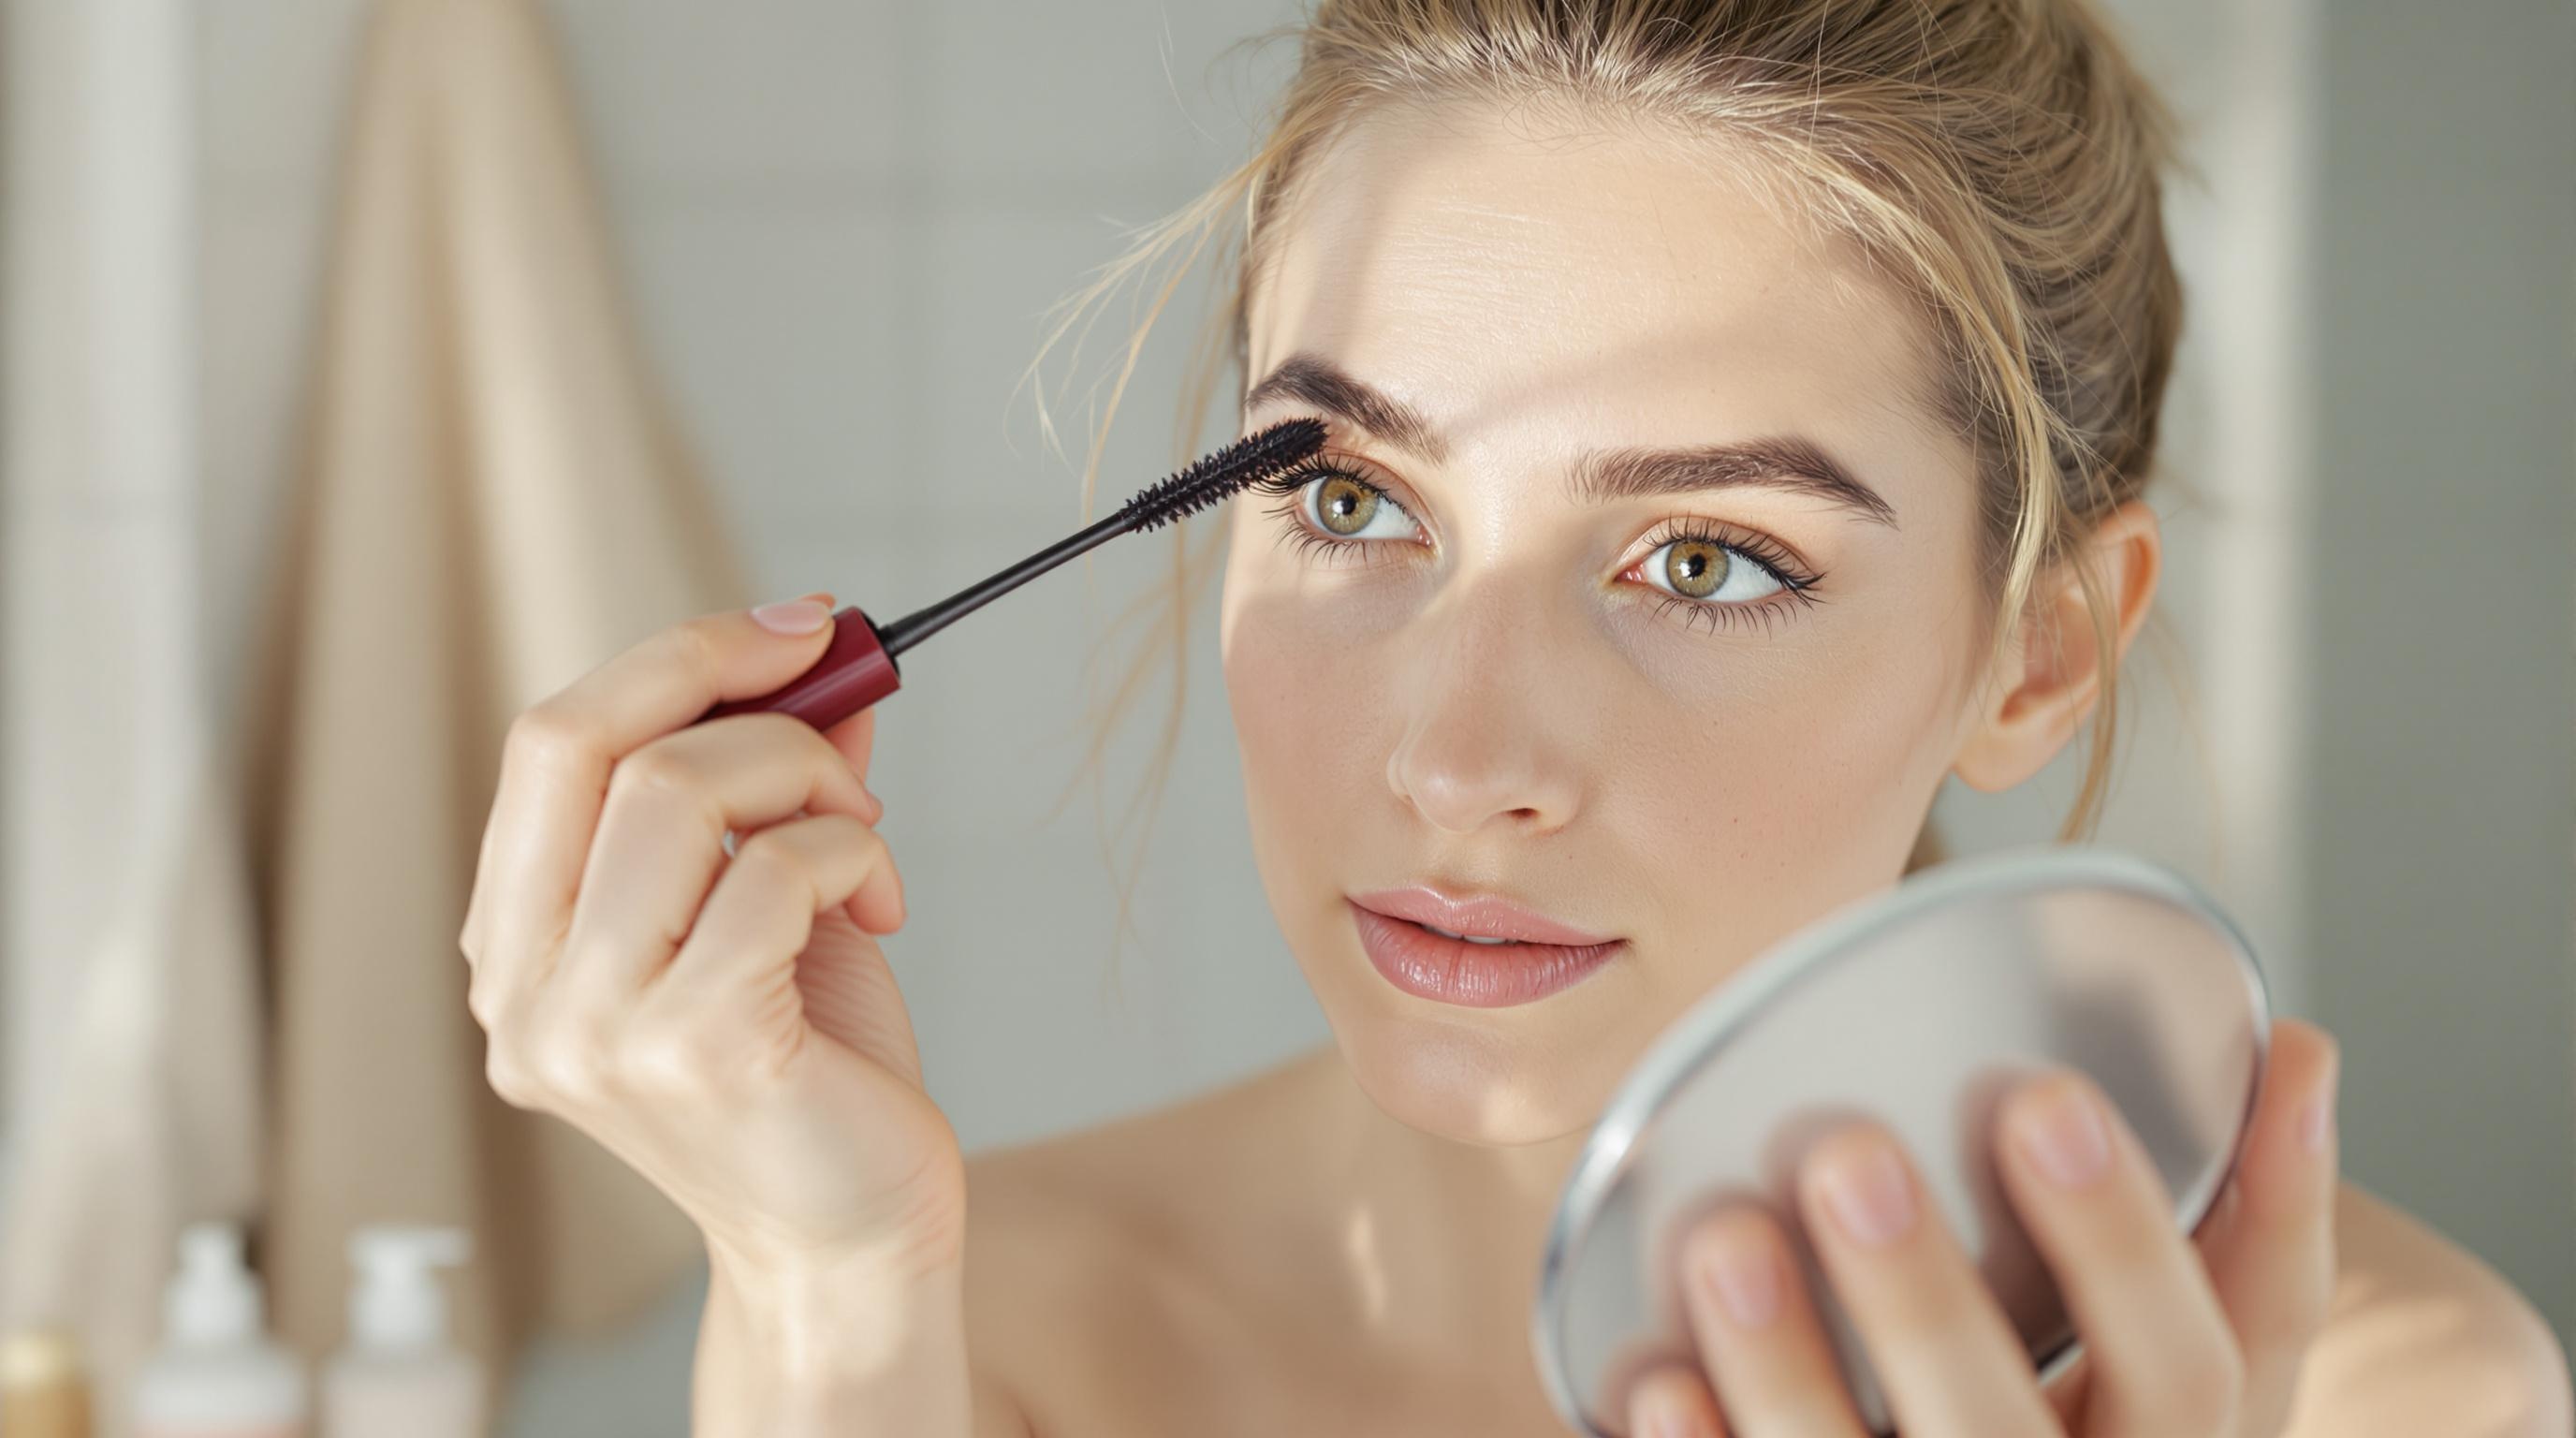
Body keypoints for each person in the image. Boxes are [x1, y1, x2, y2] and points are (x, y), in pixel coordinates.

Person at [456, 1, 2574, 1433]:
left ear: (2030, 657)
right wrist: (818, 1292)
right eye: (1352, 501)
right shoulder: (968, 1338)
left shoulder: (2362, 1395)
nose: (1457, 765)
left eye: (1709, 559)